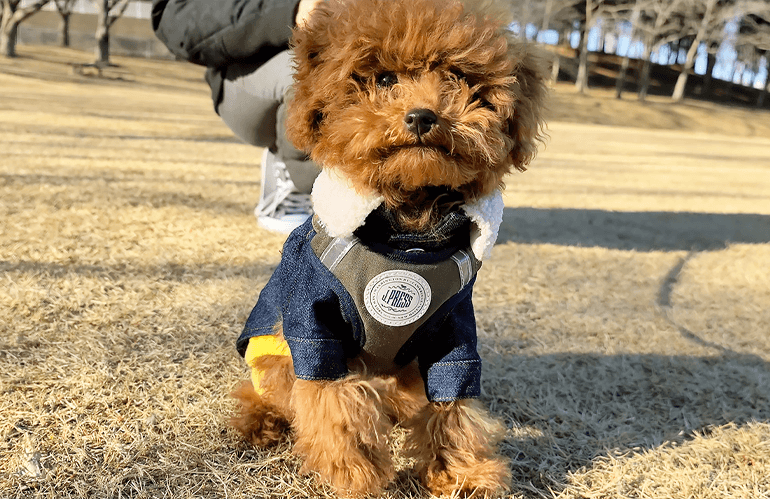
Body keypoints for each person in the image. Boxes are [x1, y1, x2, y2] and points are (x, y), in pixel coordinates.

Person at [151, 0, 323, 233]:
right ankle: (297, 188)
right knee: (309, 77)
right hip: (246, 75)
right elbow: (174, 18)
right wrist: (290, 10)